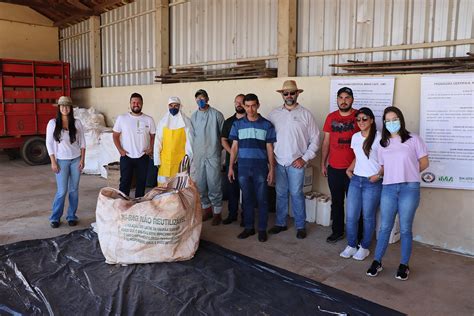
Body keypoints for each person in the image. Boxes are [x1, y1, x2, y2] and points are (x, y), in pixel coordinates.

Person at [366, 106, 429, 281]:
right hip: (389, 189)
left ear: (400, 120)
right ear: (384, 123)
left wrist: (409, 173)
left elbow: (424, 162)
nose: (392, 123)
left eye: (395, 119)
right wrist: (377, 175)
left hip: (409, 188)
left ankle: (403, 265)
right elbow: (384, 168)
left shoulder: (413, 139)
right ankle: (377, 261)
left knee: (406, 228)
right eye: (388, 120)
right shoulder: (382, 144)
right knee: (385, 227)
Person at [267, 80, 320, 239]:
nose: (289, 96)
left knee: (296, 193)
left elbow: (316, 139)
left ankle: (300, 225)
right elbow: (268, 139)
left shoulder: (306, 114)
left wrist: (304, 159)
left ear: (297, 94)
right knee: (280, 193)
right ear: (282, 95)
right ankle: (280, 223)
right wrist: (270, 161)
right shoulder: (273, 114)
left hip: (297, 163)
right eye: (286, 93)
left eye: (292, 93)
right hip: (278, 162)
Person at [228, 93, 276, 242]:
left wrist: (272, 169)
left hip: (260, 167)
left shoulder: (267, 125)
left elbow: (269, 148)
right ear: (243, 106)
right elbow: (234, 147)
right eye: (247, 106)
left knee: (262, 199)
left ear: (258, 105)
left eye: (253, 105)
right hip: (243, 167)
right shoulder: (237, 124)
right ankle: (249, 227)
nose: (250, 109)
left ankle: (262, 229)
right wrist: (230, 166)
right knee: (247, 199)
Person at [340, 107, 382, 261]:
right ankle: (351, 245)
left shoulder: (380, 138)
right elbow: (359, 157)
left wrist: (378, 175)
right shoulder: (356, 137)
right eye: (358, 119)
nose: (361, 122)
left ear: (371, 120)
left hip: (372, 182)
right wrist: (349, 170)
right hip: (356, 180)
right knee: (351, 216)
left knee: (368, 217)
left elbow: (387, 162)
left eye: (364, 119)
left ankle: (364, 247)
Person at [321, 87, 361, 243]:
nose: (343, 100)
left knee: (355, 205)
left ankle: (357, 236)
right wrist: (323, 163)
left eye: (347, 97)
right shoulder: (331, 117)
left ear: (352, 100)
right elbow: (326, 142)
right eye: (341, 97)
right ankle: (337, 231)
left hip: (354, 170)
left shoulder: (359, 117)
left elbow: (366, 143)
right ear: (337, 99)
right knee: (336, 203)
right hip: (334, 169)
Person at [46, 96, 86, 228]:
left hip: (76, 160)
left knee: (74, 190)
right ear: (59, 108)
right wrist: (53, 161)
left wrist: (82, 160)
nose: (65, 108)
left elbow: (83, 143)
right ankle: (55, 218)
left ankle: (71, 216)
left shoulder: (77, 123)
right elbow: (49, 144)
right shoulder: (52, 123)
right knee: (62, 191)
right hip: (61, 161)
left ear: (71, 108)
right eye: (62, 106)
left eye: (67, 106)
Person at [190, 89, 225, 225]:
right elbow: (192, 137)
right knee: (201, 185)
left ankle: (217, 212)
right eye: (198, 99)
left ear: (208, 99)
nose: (201, 101)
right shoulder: (193, 117)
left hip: (212, 155)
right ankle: (207, 209)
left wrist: (216, 151)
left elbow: (223, 136)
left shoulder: (217, 115)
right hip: (199, 156)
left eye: (203, 98)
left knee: (214, 184)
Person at [113, 93, 156, 198]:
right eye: (134, 102)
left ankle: (138, 204)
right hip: (126, 156)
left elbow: (153, 136)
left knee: (141, 183)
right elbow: (115, 135)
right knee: (124, 182)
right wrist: (120, 150)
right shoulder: (122, 118)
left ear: (142, 104)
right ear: (130, 104)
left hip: (143, 156)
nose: (136, 104)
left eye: (138, 103)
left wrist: (150, 148)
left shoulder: (149, 119)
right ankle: (123, 204)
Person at [153, 96, 193, 185]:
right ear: (168, 106)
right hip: (165, 162)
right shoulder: (162, 122)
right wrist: (157, 159)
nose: (173, 108)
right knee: (163, 187)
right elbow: (157, 142)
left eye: (176, 106)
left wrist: (188, 160)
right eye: (171, 105)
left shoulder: (186, 122)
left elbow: (189, 143)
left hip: (181, 162)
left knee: (179, 186)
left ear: (180, 106)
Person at [221, 94, 246, 225]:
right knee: (232, 190)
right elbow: (223, 140)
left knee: (247, 191)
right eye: (236, 102)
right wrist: (233, 153)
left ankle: (245, 216)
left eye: (241, 102)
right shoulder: (229, 122)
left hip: (247, 162)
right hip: (233, 162)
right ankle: (232, 214)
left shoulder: (251, 120)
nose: (238, 104)